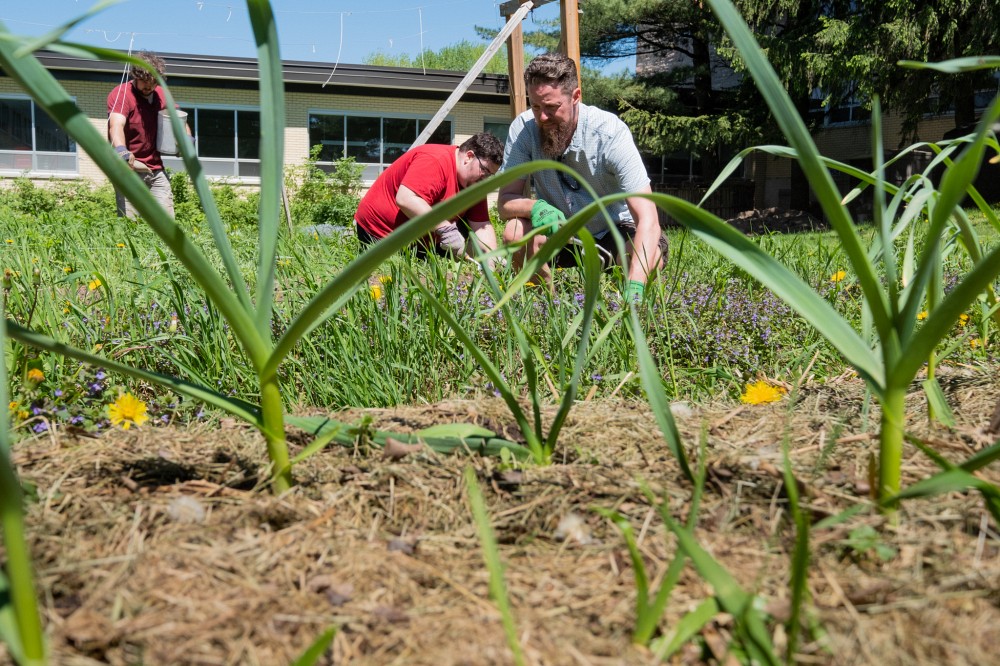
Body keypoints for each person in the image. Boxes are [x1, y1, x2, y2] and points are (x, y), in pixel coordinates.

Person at [498, 53, 668, 300]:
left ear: (576, 96)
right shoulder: (524, 129)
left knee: (648, 255)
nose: (542, 117)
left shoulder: (610, 134)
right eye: (535, 106)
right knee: (514, 231)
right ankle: (547, 305)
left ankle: (630, 304)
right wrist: (535, 207)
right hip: (561, 232)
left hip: (613, 232)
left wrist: (636, 288)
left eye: (551, 107)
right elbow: (505, 202)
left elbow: (648, 220)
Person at [354, 132, 503, 262]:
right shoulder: (436, 160)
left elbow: (482, 225)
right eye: (485, 171)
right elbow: (406, 199)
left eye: (490, 175)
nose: (486, 178)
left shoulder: (474, 183)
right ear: (469, 157)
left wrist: (491, 257)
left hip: (421, 238)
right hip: (381, 233)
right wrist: (446, 229)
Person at [107, 51, 188, 218]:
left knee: (167, 223)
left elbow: (179, 121)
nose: (149, 86)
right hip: (129, 168)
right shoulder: (122, 94)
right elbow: (116, 124)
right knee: (131, 224)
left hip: (155, 169)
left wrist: (188, 142)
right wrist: (121, 150)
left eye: (152, 82)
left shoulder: (160, 94)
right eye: (144, 81)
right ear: (135, 76)